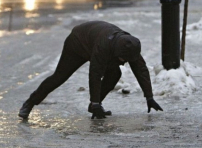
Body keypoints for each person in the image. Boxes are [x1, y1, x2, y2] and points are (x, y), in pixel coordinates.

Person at [18, 21, 163, 120]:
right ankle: (30, 102)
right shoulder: (104, 47)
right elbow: (95, 74)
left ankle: (95, 105)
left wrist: (149, 97)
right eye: (122, 60)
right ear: (117, 52)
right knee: (59, 77)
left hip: (94, 39)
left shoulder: (130, 45)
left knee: (115, 73)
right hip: (77, 43)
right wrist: (95, 103)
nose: (124, 63)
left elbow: (141, 70)